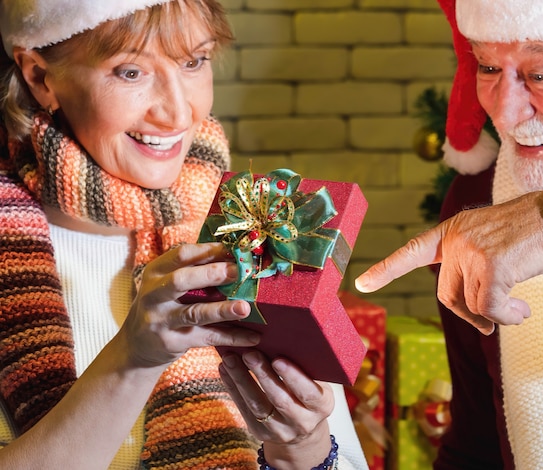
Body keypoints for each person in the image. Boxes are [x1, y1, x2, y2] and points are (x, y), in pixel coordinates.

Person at [0, 1, 368, 469]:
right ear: (39, 76)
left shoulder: (255, 232)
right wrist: (133, 358)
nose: (177, 112)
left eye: (194, 62)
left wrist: (303, 451)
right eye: (129, 71)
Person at [356, 0, 543, 468]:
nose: (505, 112)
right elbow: (477, 439)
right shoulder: (477, 202)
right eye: (487, 67)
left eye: (540, 75)